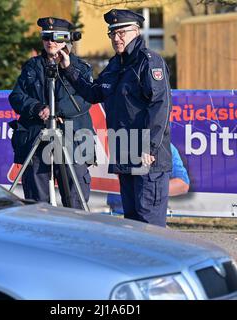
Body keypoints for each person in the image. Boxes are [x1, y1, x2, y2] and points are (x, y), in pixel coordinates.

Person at [58, 9, 172, 227]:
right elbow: (94, 93)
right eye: (112, 34)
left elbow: (160, 106)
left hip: (147, 155)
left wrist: (150, 147)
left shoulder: (149, 62)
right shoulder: (115, 65)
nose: (116, 38)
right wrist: (69, 68)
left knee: (151, 226)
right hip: (124, 151)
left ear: (136, 31)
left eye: (122, 33)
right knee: (132, 224)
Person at [8, 17, 94, 209]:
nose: (50, 42)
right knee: (37, 202)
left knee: (75, 200)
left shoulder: (80, 67)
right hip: (37, 137)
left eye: (56, 37)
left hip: (73, 137)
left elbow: (86, 99)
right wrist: (38, 108)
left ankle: (76, 236)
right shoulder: (33, 66)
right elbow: (16, 96)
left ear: (66, 39)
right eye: (46, 37)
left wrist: (56, 111)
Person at [107, 143, 189, 213]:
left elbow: (183, 184)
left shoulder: (166, 147)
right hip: (112, 214)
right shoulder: (116, 142)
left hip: (150, 214)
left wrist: (149, 191)